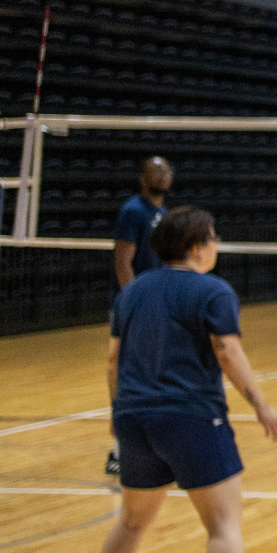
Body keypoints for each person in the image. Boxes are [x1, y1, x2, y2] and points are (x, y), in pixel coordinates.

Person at [77, 205, 277, 553]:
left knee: (131, 521)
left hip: (135, 418)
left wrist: (119, 412)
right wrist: (261, 405)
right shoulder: (212, 291)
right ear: (196, 247)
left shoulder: (131, 293)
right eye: (213, 238)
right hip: (191, 416)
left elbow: (113, 359)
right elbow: (227, 351)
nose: (216, 246)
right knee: (223, 524)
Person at [106, 154, 173, 477]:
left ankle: (151, 448)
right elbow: (123, 261)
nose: (162, 175)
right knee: (128, 372)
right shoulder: (133, 211)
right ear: (142, 178)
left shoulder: (162, 214)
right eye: (155, 171)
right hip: (135, 305)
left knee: (156, 375)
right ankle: (119, 450)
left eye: (166, 170)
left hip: (158, 304)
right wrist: (134, 304)